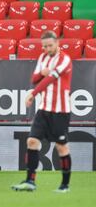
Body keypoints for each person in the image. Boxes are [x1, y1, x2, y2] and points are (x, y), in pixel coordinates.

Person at [12, 31, 73, 193]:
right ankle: (30, 181)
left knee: (61, 148)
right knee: (32, 141)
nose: (47, 49)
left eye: (50, 45)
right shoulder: (43, 58)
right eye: (44, 46)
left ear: (57, 43)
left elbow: (49, 79)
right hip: (44, 109)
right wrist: (41, 73)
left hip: (60, 111)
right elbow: (34, 78)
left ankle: (65, 185)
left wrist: (33, 93)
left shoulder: (64, 59)